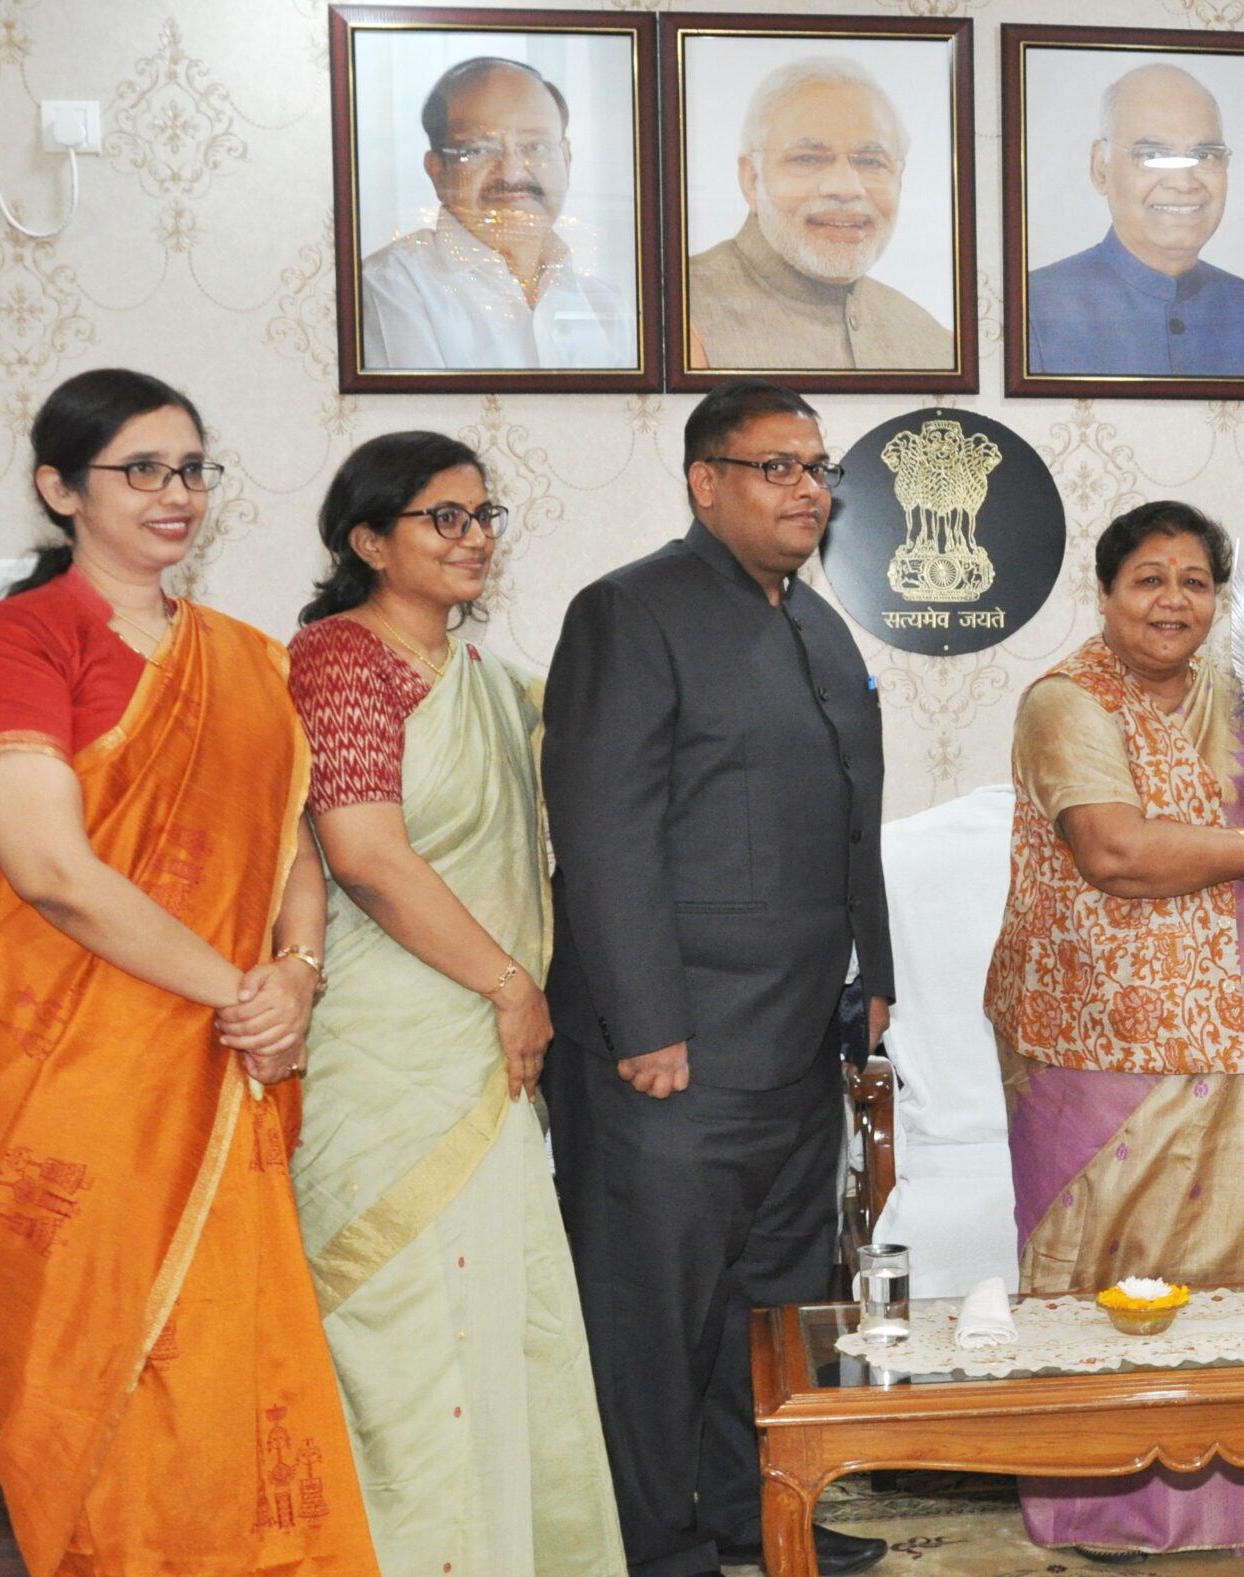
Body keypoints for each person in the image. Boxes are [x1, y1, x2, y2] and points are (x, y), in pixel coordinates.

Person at [0, 369, 377, 1575]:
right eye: (140, 469)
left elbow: (292, 844)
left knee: (233, 1369)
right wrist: (240, 990)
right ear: (60, 488)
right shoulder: (21, 642)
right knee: (108, 1386)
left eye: (191, 469)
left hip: (227, 1058)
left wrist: (297, 972)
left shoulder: (244, 658)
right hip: (75, 1079)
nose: (175, 494)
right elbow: (50, 869)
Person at [540, 379, 892, 1577]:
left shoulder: (819, 624)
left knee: (772, 1307)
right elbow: (605, 832)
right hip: (671, 1049)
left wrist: (874, 972)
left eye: (818, 467)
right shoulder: (629, 610)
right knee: (651, 1315)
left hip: (799, 1042)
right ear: (705, 482)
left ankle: (758, 1514)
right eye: (776, 466)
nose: (809, 489)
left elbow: (855, 818)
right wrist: (645, 1022)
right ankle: (655, 1543)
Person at [983, 501, 1244, 1559]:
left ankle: (1241, 1502)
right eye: (1148, 578)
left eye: (1194, 582)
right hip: (1098, 1026)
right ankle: (1105, 1502)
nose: (1172, 601)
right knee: (1112, 1263)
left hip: (1233, 1014)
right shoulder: (1066, 701)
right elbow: (1114, 850)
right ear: (1105, 593)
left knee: (1233, 1260)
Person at [285, 432, 624, 1576]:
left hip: (487, 1047)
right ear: (368, 539)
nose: (473, 536)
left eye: (484, 515)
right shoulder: (340, 661)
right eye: (443, 516)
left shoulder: (489, 681)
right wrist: (508, 982)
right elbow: (365, 856)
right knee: (403, 1330)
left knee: (502, 1322)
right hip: (386, 1045)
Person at [361, 56, 633, 370]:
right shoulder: (391, 286)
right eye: (478, 150)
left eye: (537, 146)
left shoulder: (606, 306)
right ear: (437, 171)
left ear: (567, 160)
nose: (511, 172)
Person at [686, 56, 951, 372]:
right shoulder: (681, 313)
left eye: (871, 161)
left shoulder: (935, 342)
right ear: (751, 179)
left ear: (900, 179)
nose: (845, 187)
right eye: (809, 159)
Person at [1024, 63, 1244, 378]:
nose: (1184, 183)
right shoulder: (1031, 312)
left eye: (1204, 155)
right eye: (1153, 155)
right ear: (1101, 168)